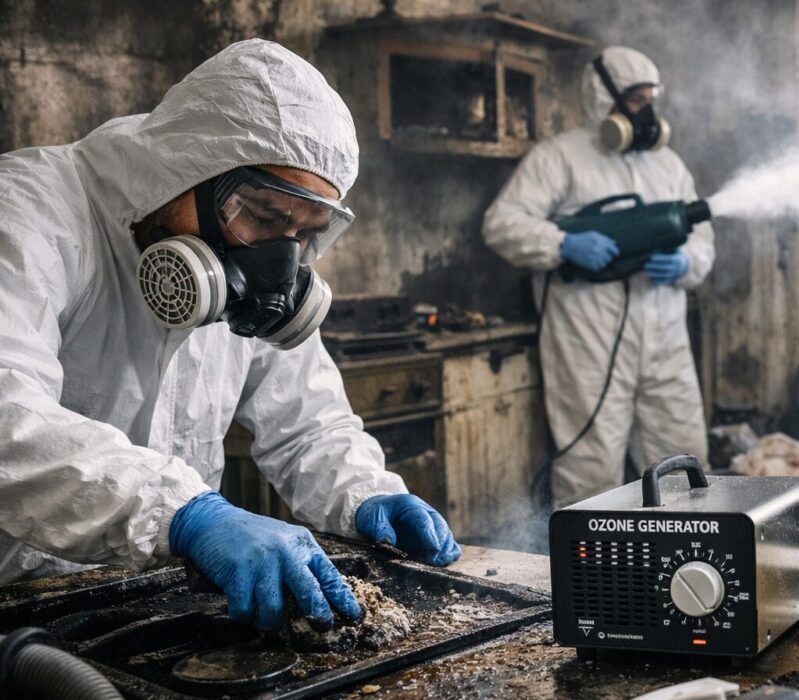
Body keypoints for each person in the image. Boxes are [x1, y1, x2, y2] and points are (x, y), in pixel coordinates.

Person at [0, 40, 459, 631]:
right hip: (15, 602)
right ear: (189, 166)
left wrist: (363, 491)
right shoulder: (29, 214)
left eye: (304, 231)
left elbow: (308, 422)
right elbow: (9, 417)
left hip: (150, 600)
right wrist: (187, 514)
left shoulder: (250, 284)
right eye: (265, 217)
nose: (276, 257)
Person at [483, 46, 714, 508]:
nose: (645, 112)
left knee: (684, 460)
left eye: (650, 100)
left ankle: (684, 568)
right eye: (634, 101)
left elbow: (704, 238)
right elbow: (501, 224)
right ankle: (599, 576)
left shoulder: (668, 165)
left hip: (665, 335)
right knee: (591, 469)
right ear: (601, 98)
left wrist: (688, 262)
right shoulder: (559, 158)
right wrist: (562, 244)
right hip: (588, 335)